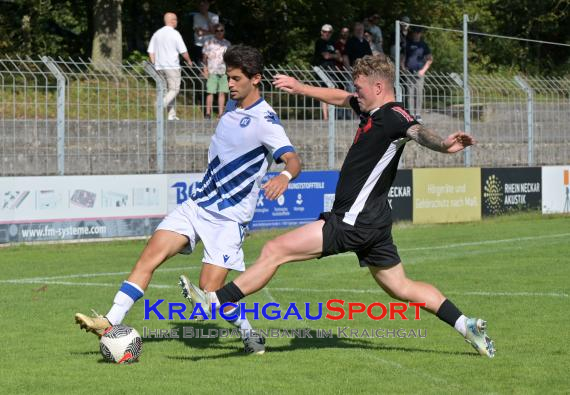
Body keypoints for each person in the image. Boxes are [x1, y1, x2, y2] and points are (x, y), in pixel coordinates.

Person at [182, 54, 496, 358]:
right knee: (400, 287)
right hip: (373, 223)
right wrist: (302, 88)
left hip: (353, 221)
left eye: (359, 88)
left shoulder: (394, 116)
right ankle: (465, 325)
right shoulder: (369, 109)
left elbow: (417, 132)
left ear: (377, 88)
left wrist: (443, 144)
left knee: (275, 250)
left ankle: (214, 300)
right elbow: (340, 97)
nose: (355, 94)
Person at [75, 45, 302, 355]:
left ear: (256, 79)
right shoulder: (232, 109)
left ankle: (249, 333)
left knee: (210, 293)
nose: (230, 84)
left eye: (236, 79)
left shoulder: (266, 120)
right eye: (227, 77)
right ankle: (110, 322)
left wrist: (284, 176)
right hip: (196, 205)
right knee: (150, 255)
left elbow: (293, 160)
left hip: (229, 219)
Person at [147, 12, 192, 121]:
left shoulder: (157, 33)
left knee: (168, 90)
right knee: (175, 89)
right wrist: (189, 61)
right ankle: (160, 104)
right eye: (176, 19)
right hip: (172, 66)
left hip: (159, 66)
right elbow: (183, 51)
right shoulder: (175, 33)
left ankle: (171, 115)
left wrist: (154, 63)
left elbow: (150, 51)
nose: (177, 22)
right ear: (172, 21)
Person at [203, 23, 231, 119]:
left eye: (221, 30)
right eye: (217, 30)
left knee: (222, 92)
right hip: (212, 70)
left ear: (224, 31)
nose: (219, 32)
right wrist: (205, 68)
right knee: (210, 92)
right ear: (214, 32)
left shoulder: (227, 43)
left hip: (224, 71)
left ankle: (220, 113)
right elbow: (205, 57)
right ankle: (208, 113)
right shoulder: (209, 42)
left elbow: (229, 59)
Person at [404, 26, 432, 121]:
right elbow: (403, 56)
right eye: (415, 33)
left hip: (419, 72)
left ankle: (418, 114)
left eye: (418, 33)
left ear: (420, 34)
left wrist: (423, 70)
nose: (416, 34)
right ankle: (411, 114)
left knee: (419, 93)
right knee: (409, 93)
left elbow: (429, 59)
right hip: (409, 72)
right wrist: (403, 67)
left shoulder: (423, 45)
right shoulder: (408, 44)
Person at [313, 23, 341, 121]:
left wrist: (332, 55)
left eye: (329, 32)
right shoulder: (319, 42)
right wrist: (334, 56)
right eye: (325, 32)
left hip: (332, 69)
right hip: (322, 69)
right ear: (321, 32)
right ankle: (325, 116)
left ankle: (331, 115)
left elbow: (339, 57)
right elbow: (326, 56)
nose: (327, 34)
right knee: (323, 92)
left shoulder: (333, 43)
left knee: (331, 91)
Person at [192, 0, 219, 65]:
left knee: (211, 64)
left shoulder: (214, 16)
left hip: (211, 44)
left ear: (208, 6)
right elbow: (199, 33)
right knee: (200, 66)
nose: (202, 7)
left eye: (204, 5)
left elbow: (215, 31)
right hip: (199, 44)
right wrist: (211, 31)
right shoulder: (196, 16)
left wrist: (207, 18)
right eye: (201, 5)